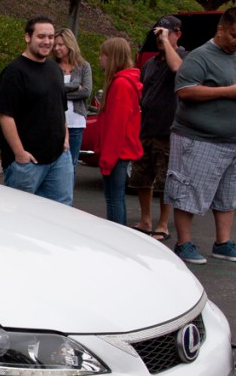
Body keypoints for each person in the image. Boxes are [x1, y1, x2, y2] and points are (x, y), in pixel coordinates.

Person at [167, 7, 236, 265]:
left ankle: (222, 242)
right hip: (199, 139)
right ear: (220, 30)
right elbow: (185, 91)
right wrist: (226, 92)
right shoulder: (200, 57)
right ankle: (184, 243)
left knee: (228, 195)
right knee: (188, 190)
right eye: (234, 35)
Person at [0, 15, 72, 205]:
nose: (47, 42)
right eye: (41, 36)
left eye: (51, 37)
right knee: (21, 217)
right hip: (27, 164)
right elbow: (5, 116)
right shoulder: (14, 72)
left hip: (59, 159)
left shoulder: (54, 69)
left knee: (62, 216)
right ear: (28, 37)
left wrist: (66, 139)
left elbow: (60, 108)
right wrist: (20, 153)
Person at [129, 16, 186, 241]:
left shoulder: (183, 56)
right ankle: (145, 220)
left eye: (165, 33)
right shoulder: (151, 63)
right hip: (147, 128)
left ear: (177, 34)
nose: (159, 38)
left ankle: (163, 224)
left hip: (168, 129)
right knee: (142, 177)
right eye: (157, 34)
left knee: (165, 181)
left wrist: (167, 42)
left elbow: (177, 69)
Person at [95, 37, 143, 225]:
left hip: (117, 153)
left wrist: (107, 159)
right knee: (115, 198)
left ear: (112, 57)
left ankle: (117, 239)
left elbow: (117, 126)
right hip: (119, 152)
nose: (100, 58)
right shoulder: (122, 82)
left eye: (103, 55)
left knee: (114, 199)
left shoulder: (120, 85)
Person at [53, 28, 92, 175]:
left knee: (71, 163)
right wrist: (75, 86)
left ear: (70, 44)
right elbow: (49, 90)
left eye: (61, 44)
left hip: (76, 121)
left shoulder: (83, 66)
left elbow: (86, 91)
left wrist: (59, 93)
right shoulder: (51, 66)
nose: (57, 48)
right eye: (55, 45)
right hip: (55, 121)